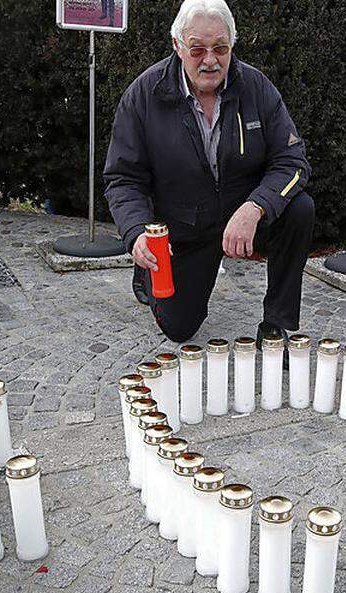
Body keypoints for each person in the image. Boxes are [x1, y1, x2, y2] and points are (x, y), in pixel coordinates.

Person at [104, 0, 314, 345]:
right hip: (184, 229)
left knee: (299, 208)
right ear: (177, 46)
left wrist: (255, 207)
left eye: (220, 48)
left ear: (232, 45)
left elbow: (292, 161)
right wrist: (137, 232)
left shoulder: (257, 88)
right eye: (197, 49)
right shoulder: (144, 94)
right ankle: (147, 274)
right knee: (179, 328)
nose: (210, 60)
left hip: (241, 217)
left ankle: (277, 323)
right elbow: (123, 178)